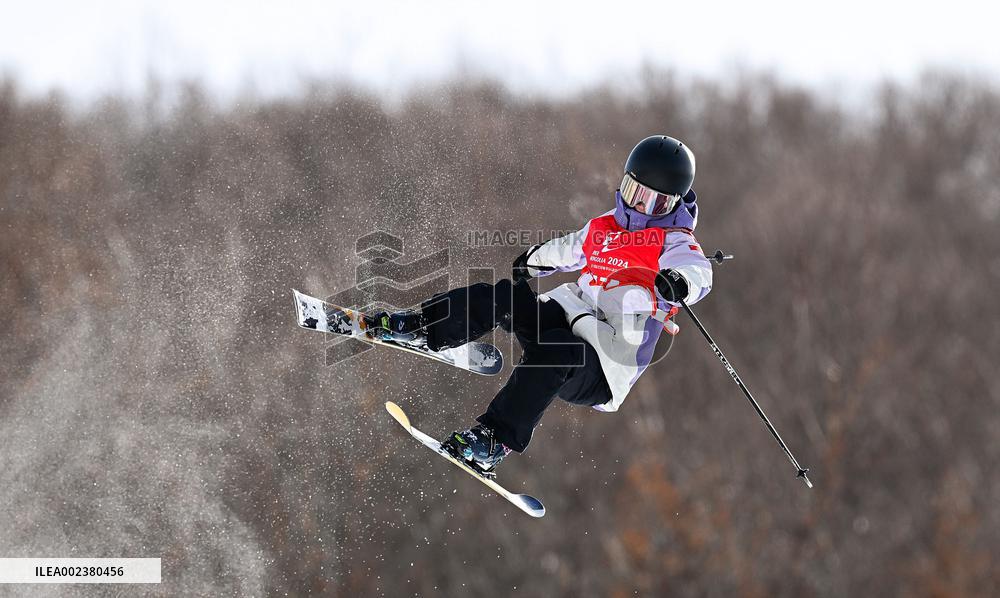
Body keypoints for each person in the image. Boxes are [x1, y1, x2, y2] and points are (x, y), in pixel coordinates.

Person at [370, 135, 713, 478]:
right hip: (566, 319)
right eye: (635, 193)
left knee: (560, 351)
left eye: (654, 203)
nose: (639, 207)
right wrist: (535, 260)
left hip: (603, 365)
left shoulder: (675, 240)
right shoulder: (606, 225)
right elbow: (572, 247)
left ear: (672, 205)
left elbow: (699, 272)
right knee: (506, 296)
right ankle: (422, 327)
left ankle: (493, 440)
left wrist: (680, 283)